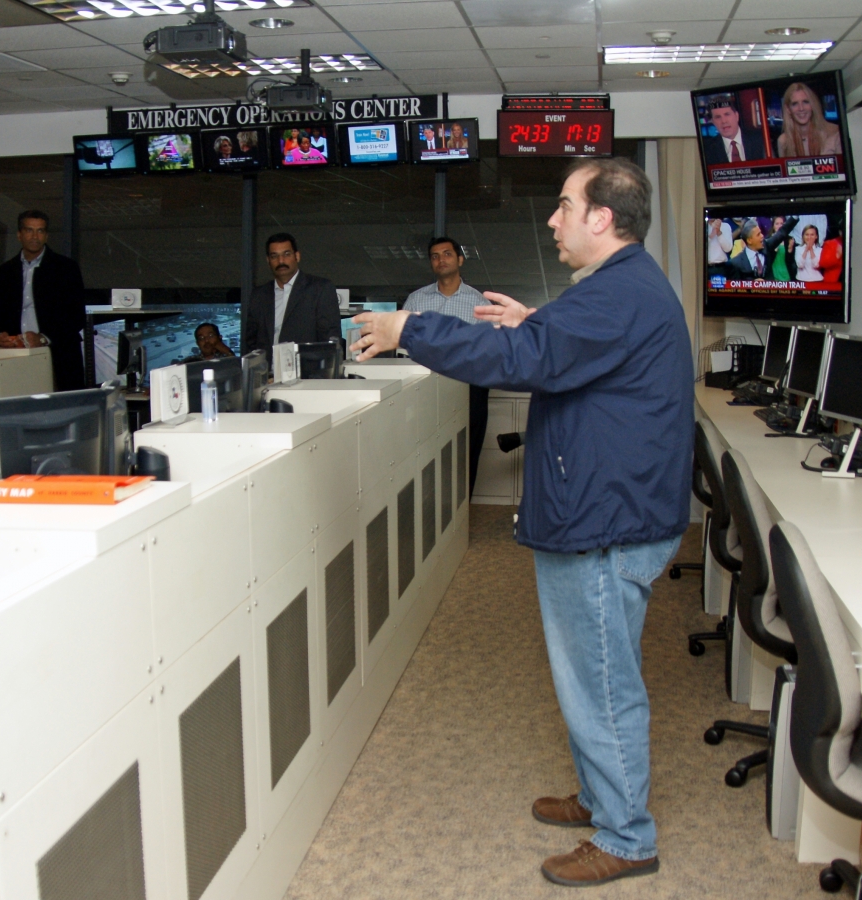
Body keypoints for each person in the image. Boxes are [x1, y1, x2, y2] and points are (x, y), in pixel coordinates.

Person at [351, 158, 693, 887]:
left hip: (606, 519)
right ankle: (604, 796)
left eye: (564, 205)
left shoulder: (618, 292)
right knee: (588, 675)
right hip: (606, 506)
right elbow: (567, 351)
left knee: (600, 682)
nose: (551, 219)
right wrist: (538, 324)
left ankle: (627, 836)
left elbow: (521, 361)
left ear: (602, 217)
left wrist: (411, 326)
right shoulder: (618, 289)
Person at [403, 236, 490, 494]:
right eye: (435, 256)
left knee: (466, 451)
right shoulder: (416, 301)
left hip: (468, 387)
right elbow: (402, 344)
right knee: (425, 450)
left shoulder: (479, 303)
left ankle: (463, 510)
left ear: (460, 260)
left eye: (447, 254)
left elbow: (489, 352)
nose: (441, 260)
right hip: (424, 388)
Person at [0, 210, 87, 392]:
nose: (35, 236)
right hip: (15, 357)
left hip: (58, 356)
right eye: (29, 230)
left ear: (46, 235)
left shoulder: (66, 268)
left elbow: (76, 316)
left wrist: (43, 338)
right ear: (19, 235)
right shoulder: (5, 271)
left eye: (40, 231)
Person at [243, 232, 341, 356]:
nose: (281, 261)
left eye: (286, 254)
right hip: (267, 372)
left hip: (306, 371)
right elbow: (251, 341)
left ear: (297, 256)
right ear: (268, 260)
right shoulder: (259, 295)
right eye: (274, 256)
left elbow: (329, 338)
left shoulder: (319, 289)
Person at [776, 81, 842, 158]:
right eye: (795, 104)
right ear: (788, 109)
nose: (801, 108)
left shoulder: (834, 133)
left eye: (805, 102)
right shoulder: (783, 141)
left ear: (812, 105)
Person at [726, 217, 797, 279]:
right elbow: (735, 287)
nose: (762, 236)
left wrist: (795, 216)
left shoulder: (767, 246)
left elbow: (782, 232)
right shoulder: (736, 263)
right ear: (749, 240)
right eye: (758, 234)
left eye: (761, 233)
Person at [701, 99, 768, 165]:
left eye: (727, 114)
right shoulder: (707, 150)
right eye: (718, 117)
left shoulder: (761, 139)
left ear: (736, 116)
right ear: (713, 122)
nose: (724, 121)